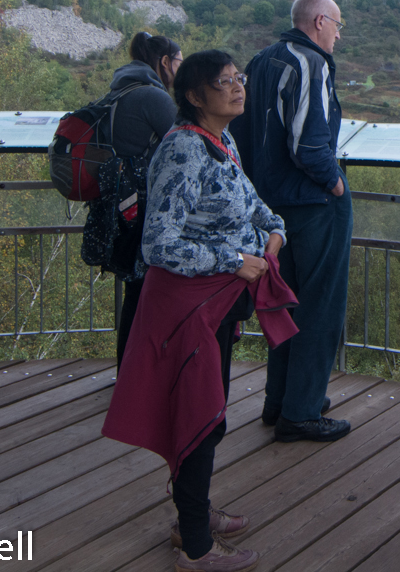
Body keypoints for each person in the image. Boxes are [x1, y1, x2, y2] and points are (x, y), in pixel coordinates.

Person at [109, 49, 288, 572]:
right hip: (188, 308)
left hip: (216, 304)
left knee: (209, 411)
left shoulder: (220, 141)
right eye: (224, 82)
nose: (238, 89)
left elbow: (251, 203)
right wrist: (236, 259)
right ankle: (195, 545)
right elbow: (158, 245)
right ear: (194, 96)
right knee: (200, 415)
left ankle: (194, 512)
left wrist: (275, 228)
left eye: (239, 79)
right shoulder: (185, 149)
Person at [231, 0, 352, 443]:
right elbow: (308, 142)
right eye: (337, 26)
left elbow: (243, 130)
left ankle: (279, 400)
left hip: (271, 205)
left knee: (284, 300)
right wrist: (335, 183)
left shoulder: (263, 59)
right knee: (319, 307)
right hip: (313, 203)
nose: (338, 35)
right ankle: (301, 412)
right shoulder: (310, 63)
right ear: (320, 21)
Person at [106, 31, 182, 365]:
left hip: (122, 205)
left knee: (137, 290)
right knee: (143, 292)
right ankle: (135, 373)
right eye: (179, 62)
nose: (181, 69)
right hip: (144, 208)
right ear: (165, 62)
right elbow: (185, 142)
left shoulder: (122, 87)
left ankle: (130, 369)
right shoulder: (153, 96)